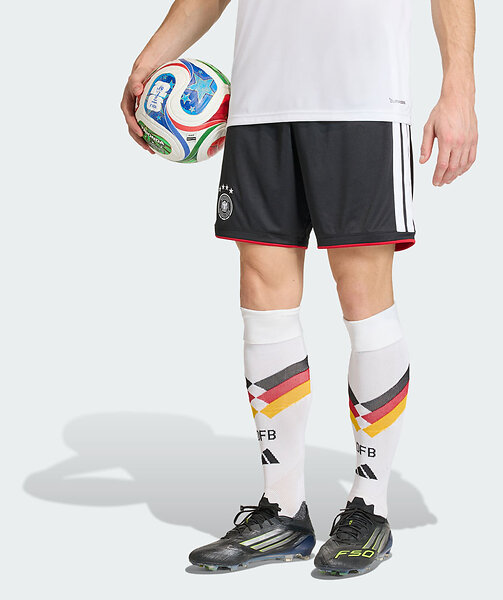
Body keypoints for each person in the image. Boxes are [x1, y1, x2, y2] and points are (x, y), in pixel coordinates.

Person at [121, 0, 478, 576]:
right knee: (263, 299)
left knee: (364, 301)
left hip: (362, 100)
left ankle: (369, 508)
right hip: (258, 104)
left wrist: (459, 85)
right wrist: (151, 58)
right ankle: (283, 512)